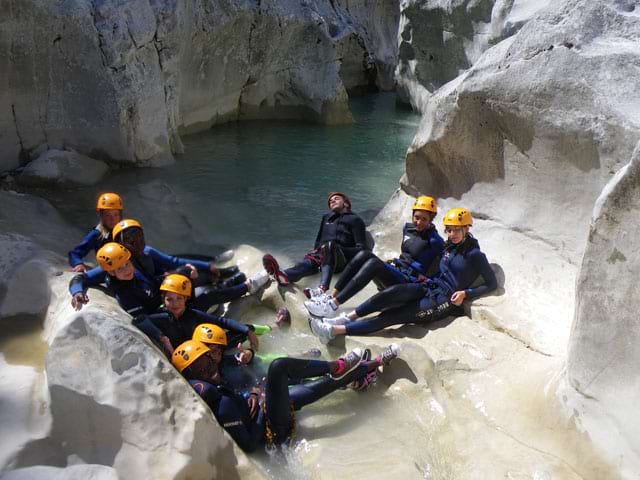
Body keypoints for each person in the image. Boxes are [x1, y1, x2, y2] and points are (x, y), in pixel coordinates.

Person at [171, 337, 399, 452]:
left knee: (318, 387)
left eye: (207, 359)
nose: (208, 366)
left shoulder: (217, 382)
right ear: (191, 375)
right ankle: (342, 365)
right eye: (199, 368)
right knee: (278, 368)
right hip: (273, 431)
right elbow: (250, 444)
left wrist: (254, 393)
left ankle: (364, 371)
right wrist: (260, 402)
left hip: (269, 411)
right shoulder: (220, 404)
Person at [309, 208, 497, 343]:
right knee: (391, 293)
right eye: (449, 229)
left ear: (467, 229)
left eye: (457, 229)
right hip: (430, 286)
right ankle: (346, 317)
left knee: (391, 316)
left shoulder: (475, 255)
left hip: (444, 300)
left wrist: (466, 293)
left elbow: (491, 284)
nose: (452, 233)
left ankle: (334, 331)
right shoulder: (450, 246)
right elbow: (441, 267)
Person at [305, 195, 444, 317]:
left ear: (431, 220)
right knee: (364, 254)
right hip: (396, 271)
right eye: (416, 217)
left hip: (407, 282)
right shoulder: (407, 228)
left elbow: (445, 262)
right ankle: (329, 297)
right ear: (412, 215)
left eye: (424, 219)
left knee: (374, 264)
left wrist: (429, 280)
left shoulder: (435, 240)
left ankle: (332, 306)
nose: (418, 222)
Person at [112, 219, 269, 311]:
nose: (137, 244)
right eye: (130, 242)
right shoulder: (117, 266)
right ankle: (246, 286)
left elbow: (169, 265)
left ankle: (223, 276)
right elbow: (92, 275)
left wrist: (201, 267)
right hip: (164, 304)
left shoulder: (145, 253)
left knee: (184, 267)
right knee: (206, 295)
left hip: (164, 293)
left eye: (139, 238)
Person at [262, 192, 369, 295]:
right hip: (321, 256)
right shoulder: (326, 218)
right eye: (330, 201)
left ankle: (322, 288)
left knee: (330, 246)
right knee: (306, 264)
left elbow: (362, 248)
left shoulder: (355, 220)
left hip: (339, 258)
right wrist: (314, 252)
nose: (332, 201)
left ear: (346, 203)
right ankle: (284, 276)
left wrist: (340, 250)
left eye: (336, 199)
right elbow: (318, 240)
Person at [133, 274, 259, 357]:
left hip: (202, 350)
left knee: (242, 332)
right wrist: (162, 338)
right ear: (163, 300)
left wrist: (247, 331)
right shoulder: (163, 317)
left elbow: (222, 322)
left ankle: (250, 345)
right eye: (169, 299)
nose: (175, 304)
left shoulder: (192, 314)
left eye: (179, 299)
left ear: (186, 298)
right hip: (185, 357)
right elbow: (139, 319)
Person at [69, 242, 162, 315]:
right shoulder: (106, 270)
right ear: (111, 272)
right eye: (120, 268)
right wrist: (77, 292)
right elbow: (79, 278)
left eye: (127, 264)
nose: (127, 270)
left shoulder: (133, 259)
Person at [68, 192, 123, 272]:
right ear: (101, 216)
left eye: (115, 215)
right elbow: (74, 254)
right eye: (107, 215)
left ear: (120, 216)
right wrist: (78, 263)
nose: (112, 219)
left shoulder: (126, 230)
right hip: (108, 270)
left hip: (126, 267)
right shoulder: (97, 234)